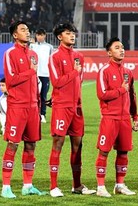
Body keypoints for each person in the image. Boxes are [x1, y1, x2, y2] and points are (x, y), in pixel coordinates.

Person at [48, 23, 95, 197]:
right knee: (58, 144)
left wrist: (79, 103)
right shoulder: (55, 57)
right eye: (68, 33)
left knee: (78, 146)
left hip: (77, 107)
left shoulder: (79, 57)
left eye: (73, 33)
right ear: (60, 37)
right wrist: (74, 73)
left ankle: (77, 185)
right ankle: (53, 186)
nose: (72, 36)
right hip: (61, 106)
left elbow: (79, 82)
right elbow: (57, 82)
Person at [0, 20, 44, 198]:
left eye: (28, 29)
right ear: (15, 35)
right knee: (13, 145)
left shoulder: (33, 54)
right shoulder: (10, 53)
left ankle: (28, 185)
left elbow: (34, 82)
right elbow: (10, 80)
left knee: (31, 145)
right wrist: (30, 72)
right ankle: (6, 187)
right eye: (23, 29)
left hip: (33, 107)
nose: (27, 32)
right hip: (17, 106)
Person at [94, 37, 138, 197]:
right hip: (109, 118)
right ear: (109, 52)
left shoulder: (128, 72)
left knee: (123, 152)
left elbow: (132, 96)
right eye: (117, 47)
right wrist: (120, 90)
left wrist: (135, 116)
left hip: (125, 119)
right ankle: (100, 187)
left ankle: (120, 184)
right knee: (104, 152)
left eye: (122, 47)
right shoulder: (104, 71)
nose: (122, 50)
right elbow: (102, 94)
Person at [30, 28, 53, 123]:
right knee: (34, 95)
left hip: (45, 74)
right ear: (36, 35)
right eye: (38, 35)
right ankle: (34, 114)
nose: (40, 37)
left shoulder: (49, 47)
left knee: (43, 95)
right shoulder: (32, 46)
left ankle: (42, 114)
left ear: (45, 35)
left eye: (41, 35)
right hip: (34, 74)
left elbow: (51, 60)